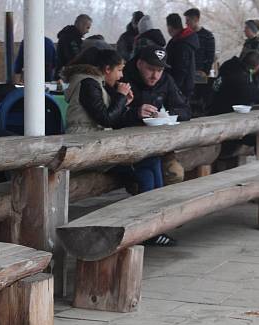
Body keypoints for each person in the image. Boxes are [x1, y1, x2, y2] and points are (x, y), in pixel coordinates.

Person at [63, 48, 175, 246]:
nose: (121, 75)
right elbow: (106, 118)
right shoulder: (88, 83)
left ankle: (155, 225)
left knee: (152, 159)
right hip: (86, 147)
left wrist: (127, 105)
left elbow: (110, 118)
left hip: (96, 143)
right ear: (107, 69)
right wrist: (121, 97)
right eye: (119, 70)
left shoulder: (95, 82)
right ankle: (146, 228)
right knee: (145, 167)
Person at [121, 45, 191, 185]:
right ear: (139, 64)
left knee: (175, 174)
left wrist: (165, 115)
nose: (155, 76)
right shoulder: (123, 77)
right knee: (148, 177)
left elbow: (186, 110)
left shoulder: (166, 80)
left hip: (158, 144)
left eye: (159, 70)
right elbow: (111, 118)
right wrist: (135, 113)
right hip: (128, 145)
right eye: (151, 69)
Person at [165, 13, 199, 99]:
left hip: (180, 87)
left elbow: (181, 68)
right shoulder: (182, 40)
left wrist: (174, 87)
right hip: (185, 84)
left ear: (169, 27)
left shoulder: (181, 44)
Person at [184, 8, 216, 76]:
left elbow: (210, 57)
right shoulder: (185, 35)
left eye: (188, 20)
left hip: (200, 73)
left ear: (196, 19)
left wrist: (205, 71)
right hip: (186, 73)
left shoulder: (208, 36)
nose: (186, 23)